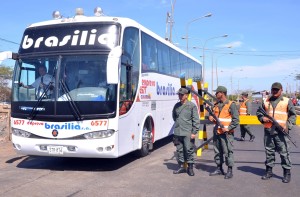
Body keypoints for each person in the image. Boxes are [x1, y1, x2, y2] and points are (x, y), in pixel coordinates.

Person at [256, 82, 296, 183]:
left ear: (281, 90)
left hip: (281, 132)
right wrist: (262, 118)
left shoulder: (287, 101)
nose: (274, 91)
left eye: (276, 90)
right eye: (273, 89)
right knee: (269, 152)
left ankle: (287, 173)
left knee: (284, 153)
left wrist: (288, 125)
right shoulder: (266, 101)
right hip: (269, 132)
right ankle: (269, 171)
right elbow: (259, 112)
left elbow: (293, 115)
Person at [209, 86, 239, 179]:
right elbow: (212, 115)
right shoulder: (216, 104)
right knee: (217, 151)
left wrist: (228, 128)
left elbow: (236, 120)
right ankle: (219, 168)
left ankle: (229, 170)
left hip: (227, 133)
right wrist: (210, 117)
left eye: (217, 92)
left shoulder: (231, 104)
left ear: (222, 93)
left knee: (228, 152)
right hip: (217, 132)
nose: (215, 94)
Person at [172, 87, 200, 176]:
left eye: (181, 95)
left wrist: (194, 132)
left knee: (189, 150)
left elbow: (196, 120)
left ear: (186, 96)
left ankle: (190, 168)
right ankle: (182, 167)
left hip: (188, 132)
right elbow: (174, 117)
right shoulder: (176, 106)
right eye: (179, 95)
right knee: (179, 150)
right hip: (178, 132)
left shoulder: (191, 106)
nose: (180, 96)